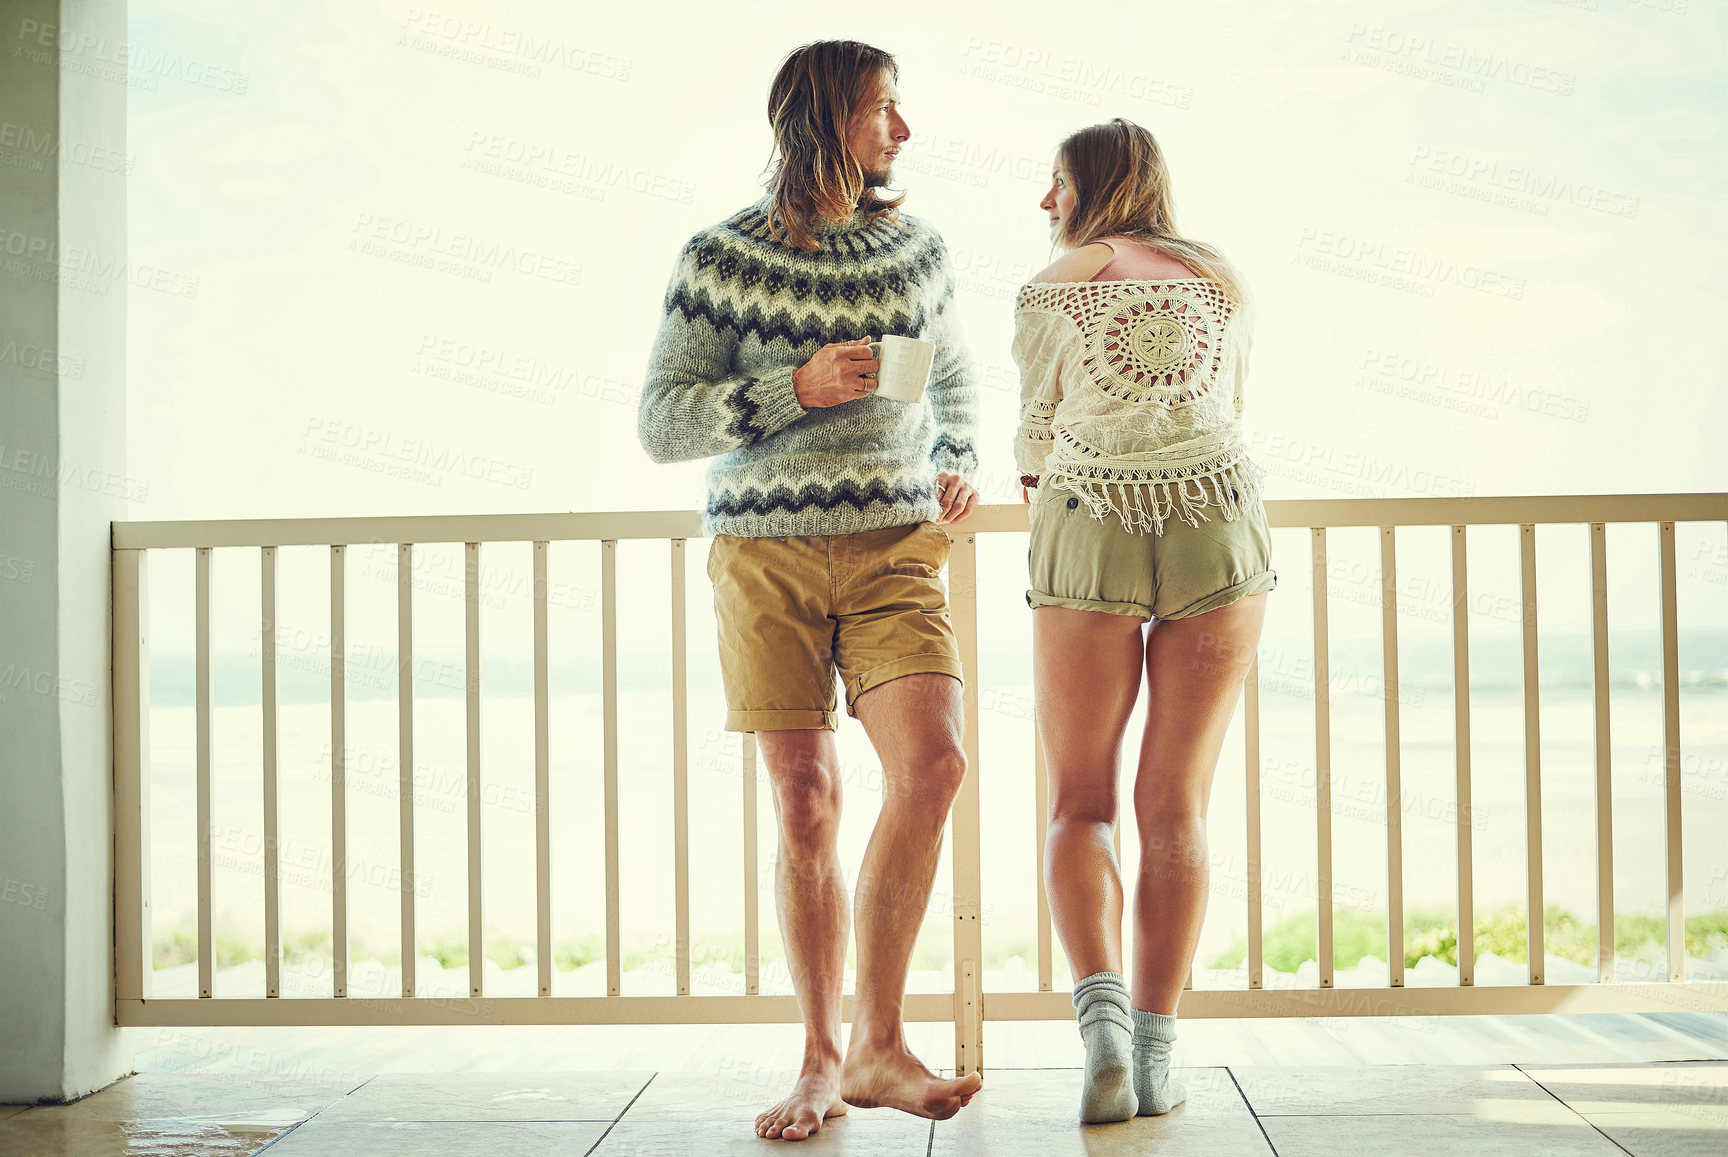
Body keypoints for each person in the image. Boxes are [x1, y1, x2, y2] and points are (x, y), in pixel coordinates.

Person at [638, 39, 983, 1143]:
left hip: (894, 548)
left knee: (933, 765)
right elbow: (661, 421)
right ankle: (822, 1056)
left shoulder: (919, 248)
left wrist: (959, 452)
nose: (905, 128)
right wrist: (789, 387)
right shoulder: (718, 258)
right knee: (806, 804)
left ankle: (881, 1040)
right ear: (825, 118)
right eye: (886, 107)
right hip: (765, 554)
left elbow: (960, 378)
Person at [1012, 117, 1277, 1124]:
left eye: (1055, 182)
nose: (1047, 203)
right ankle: (1160, 1059)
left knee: (1081, 802)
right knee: (1178, 802)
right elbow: (1232, 404)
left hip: (1090, 521)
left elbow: (1035, 441)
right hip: (1217, 517)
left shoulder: (1057, 284)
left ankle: (1105, 1035)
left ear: (1092, 185)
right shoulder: (1222, 280)